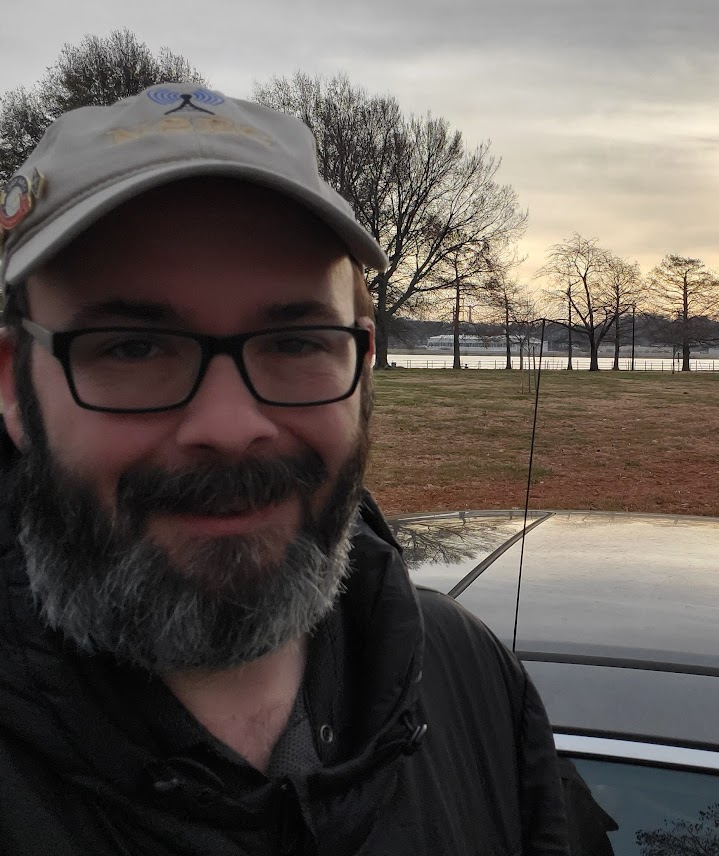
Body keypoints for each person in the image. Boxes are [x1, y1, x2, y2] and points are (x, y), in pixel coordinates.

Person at [0, 85, 569, 854]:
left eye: (296, 342)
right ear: (13, 386)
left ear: (362, 366)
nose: (230, 428)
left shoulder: (470, 677)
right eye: (133, 346)